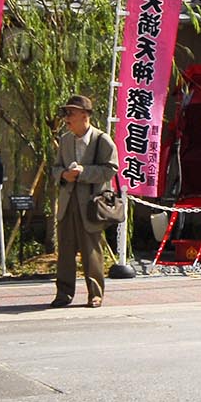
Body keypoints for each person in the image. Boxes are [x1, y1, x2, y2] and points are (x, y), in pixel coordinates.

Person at [51, 95, 119, 308]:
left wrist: (83, 172)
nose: (66, 118)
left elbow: (111, 170)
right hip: (68, 203)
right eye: (65, 113)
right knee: (65, 251)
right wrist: (63, 175)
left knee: (92, 251)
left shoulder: (102, 140)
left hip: (91, 204)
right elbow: (54, 168)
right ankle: (63, 294)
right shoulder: (65, 140)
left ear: (85, 115)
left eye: (70, 113)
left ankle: (95, 294)